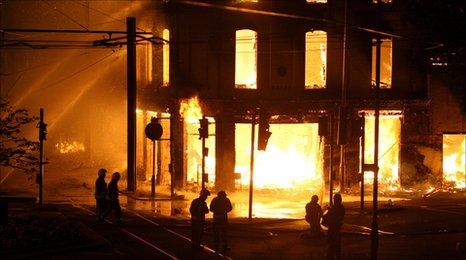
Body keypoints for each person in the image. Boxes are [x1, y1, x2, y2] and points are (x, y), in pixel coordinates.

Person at [322, 193, 345, 260]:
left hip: (334, 227)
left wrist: (329, 211)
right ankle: (333, 255)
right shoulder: (339, 208)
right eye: (334, 199)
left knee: (333, 242)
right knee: (333, 242)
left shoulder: (338, 208)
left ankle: (331, 255)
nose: (334, 201)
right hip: (334, 227)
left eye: (335, 199)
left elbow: (333, 216)